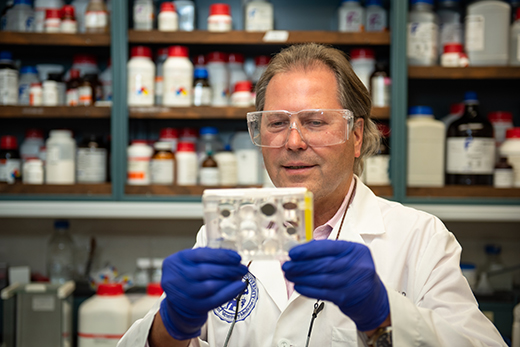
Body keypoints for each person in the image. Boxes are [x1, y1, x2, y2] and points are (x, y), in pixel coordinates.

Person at [119, 43, 506, 347]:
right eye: (276, 123)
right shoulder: (225, 233)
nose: (292, 141)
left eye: (315, 122)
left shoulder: (419, 238)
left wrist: (384, 314)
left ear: (356, 137)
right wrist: (168, 327)